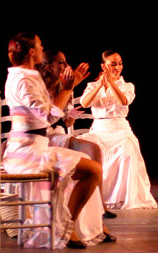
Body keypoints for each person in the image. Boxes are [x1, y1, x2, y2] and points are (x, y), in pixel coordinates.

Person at [2, 33, 115, 249]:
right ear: (33, 51)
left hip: (34, 147)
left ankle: (75, 225)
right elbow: (48, 117)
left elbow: (53, 114)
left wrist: (70, 88)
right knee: (93, 171)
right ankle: (67, 227)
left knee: (87, 165)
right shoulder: (24, 80)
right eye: (40, 44)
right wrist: (67, 88)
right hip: (28, 152)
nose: (42, 47)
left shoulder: (24, 76)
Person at [40, 49, 117, 218]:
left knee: (93, 149)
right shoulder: (38, 86)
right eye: (61, 63)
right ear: (47, 67)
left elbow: (66, 122)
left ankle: (100, 205)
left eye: (66, 61)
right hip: (38, 136)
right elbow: (46, 119)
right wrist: (69, 87)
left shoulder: (65, 85)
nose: (67, 66)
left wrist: (71, 115)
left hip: (53, 134)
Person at [79, 50, 158, 210]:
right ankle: (93, 196)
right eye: (113, 63)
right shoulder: (92, 85)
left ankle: (120, 197)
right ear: (104, 66)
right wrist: (100, 85)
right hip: (99, 130)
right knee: (87, 151)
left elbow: (123, 101)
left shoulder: (127, 86)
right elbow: (85, 103)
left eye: (120, 63)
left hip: (120, 129)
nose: (117, 67)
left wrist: (112, 83)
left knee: (126, 152)